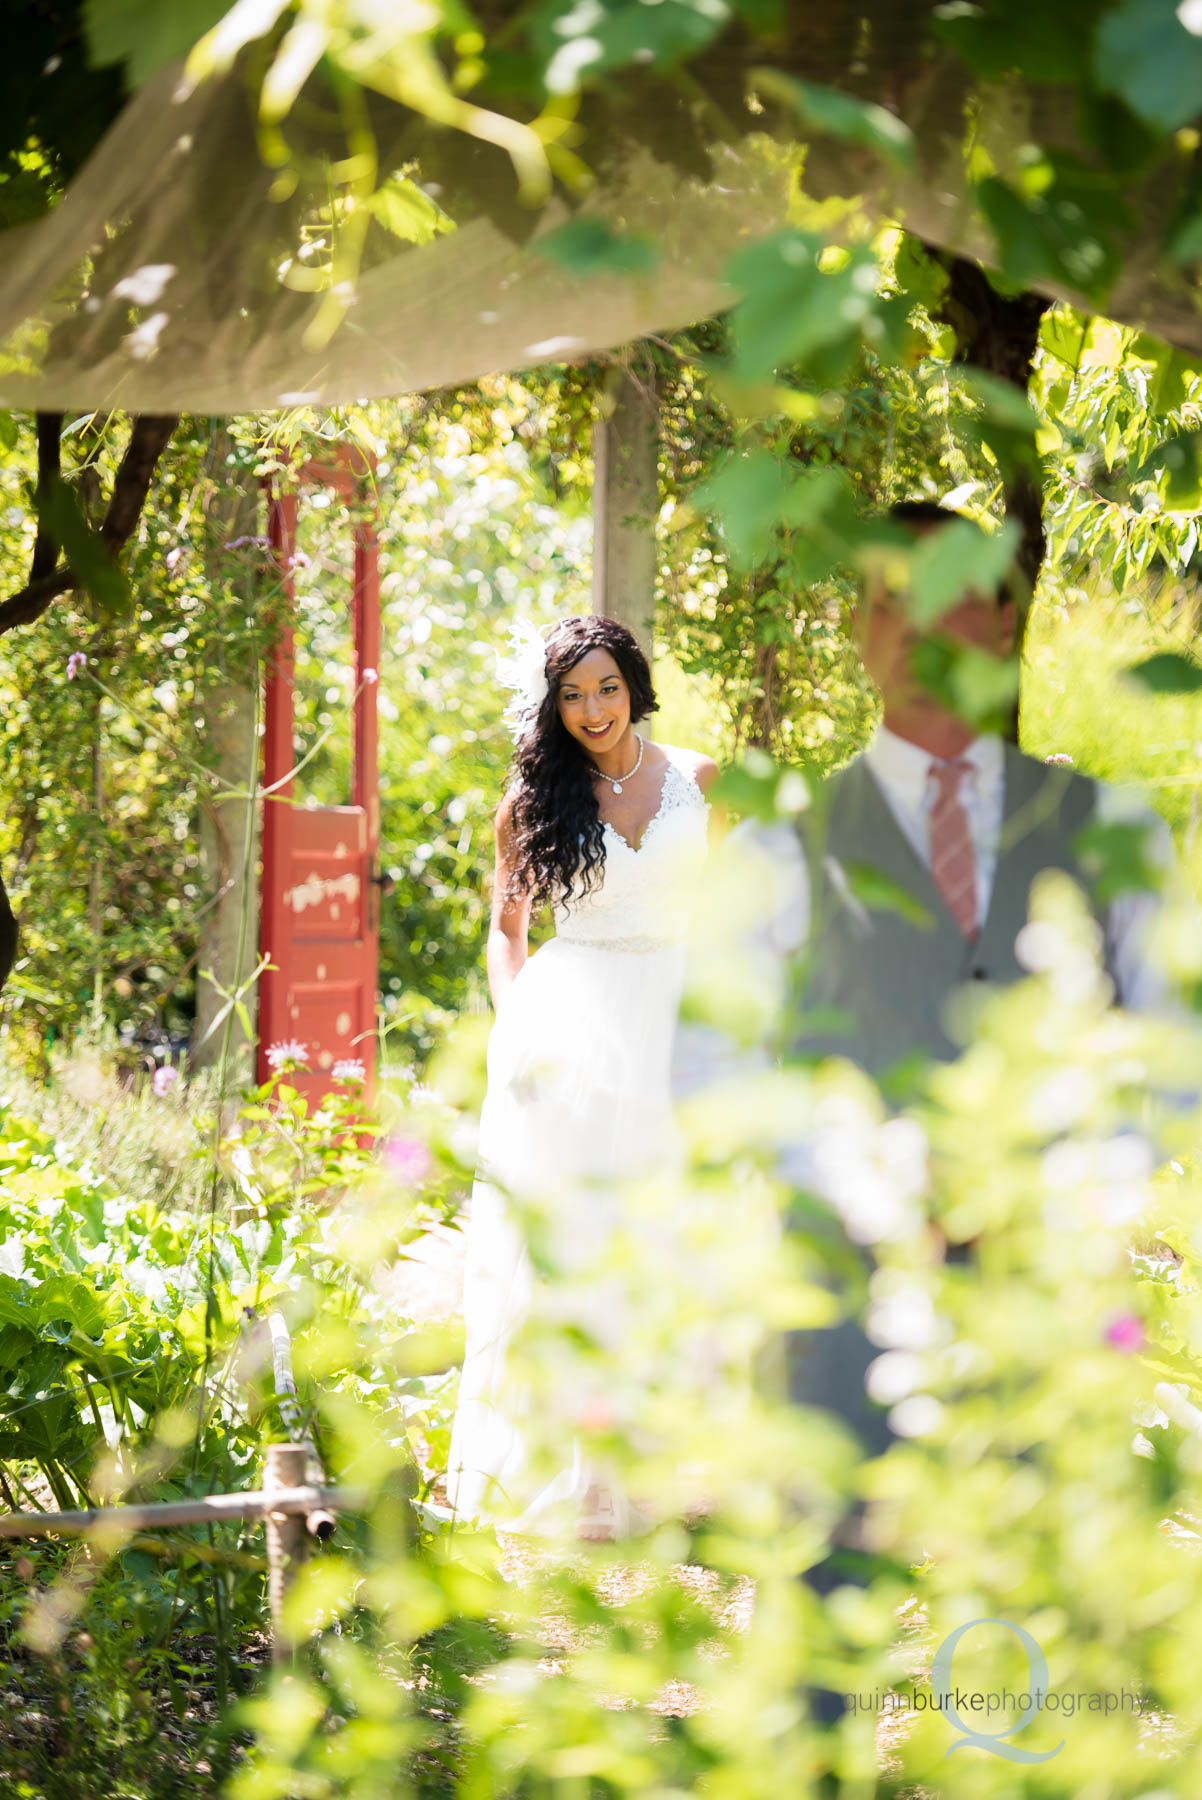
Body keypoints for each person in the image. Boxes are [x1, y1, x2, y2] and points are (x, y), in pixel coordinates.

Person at [446, 614, 719, 1540]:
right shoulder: (530, 803)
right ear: (553, 706)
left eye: (605, 687)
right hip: (576, 1025)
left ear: (634, 685)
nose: (591, 709)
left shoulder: (701, 781)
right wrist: (517, 1022)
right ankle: (590, 1485)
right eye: (571, 694)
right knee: (579, 1241)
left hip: (680, 1022)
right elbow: (506, 930)